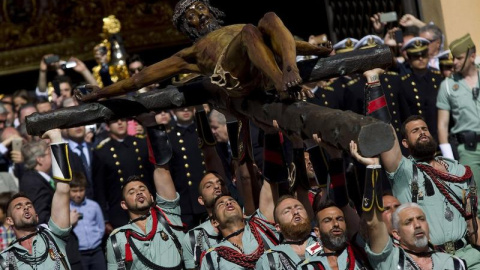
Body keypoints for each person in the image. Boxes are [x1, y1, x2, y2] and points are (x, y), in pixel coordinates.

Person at [76, 0, 332, 102]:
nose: (199, 14)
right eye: (192, 16)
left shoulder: (238, 26)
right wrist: (99, 93)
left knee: (269, 18)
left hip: (267, 64)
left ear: (211, 10)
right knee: (251, 32)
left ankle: (290, 70)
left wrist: (316, 51)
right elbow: (139, 79)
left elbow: (282, 42)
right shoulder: (191, 53)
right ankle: (281, 84)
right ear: (188, 27)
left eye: (200, 8)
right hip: (235, 76)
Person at [355, 67, 480, 268]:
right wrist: (374, 81)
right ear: (405, 143)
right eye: (415, 131)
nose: (422, 132)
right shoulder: (403, 171)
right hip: (433, 260)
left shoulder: (458, 170)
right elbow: (386, 132)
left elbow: (473, 219)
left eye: (424, 129)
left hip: (471, 256)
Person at [105, 124, 185, 270]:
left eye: (142, 189)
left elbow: (163, 171)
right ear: (123, 204)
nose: (139, 192)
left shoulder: (169, 216)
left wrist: (150, 122)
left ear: (152, 197)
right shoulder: (117, 239)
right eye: (132, 192)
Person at [0, 129, 72, 269]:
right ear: (9, 220)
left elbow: (63, 189)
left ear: (37, 216)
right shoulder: (5, 260)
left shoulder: (54, 236)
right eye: (18, 207)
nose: (25, 207)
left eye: (29, 204)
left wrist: (56, 138)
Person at [437, 34, 480, 208]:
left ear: (471, 56)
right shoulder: (447, 85)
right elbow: (442, 125)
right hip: (467, 150)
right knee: (474, 200)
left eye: (459, 58)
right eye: (453, 57)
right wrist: (449, 159)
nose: (454, 62)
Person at [92, 118, 153, 231]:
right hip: (119, 211)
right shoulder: (102, 152)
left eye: (123, 120)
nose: (120, 123)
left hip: (146, 205)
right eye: (115, 121)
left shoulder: (141, 143)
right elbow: (100, 189)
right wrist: (105, 219)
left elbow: (151, 177)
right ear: (107, 127)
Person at [399, 37, 443, 141]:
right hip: (418, 138)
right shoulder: (404, 83)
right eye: (416, 56)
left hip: (438, 134)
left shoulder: (438, 78)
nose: (421, 58)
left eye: (423, 55)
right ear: (409, 59)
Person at [69, 171, 106, 270]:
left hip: (97, 251)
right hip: (80, 253)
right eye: (74, 191)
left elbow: (101, 227)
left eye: (81, 190)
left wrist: (96, 239)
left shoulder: (93, 206)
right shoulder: (66, 209)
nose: (78, 194)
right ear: (68, 190)